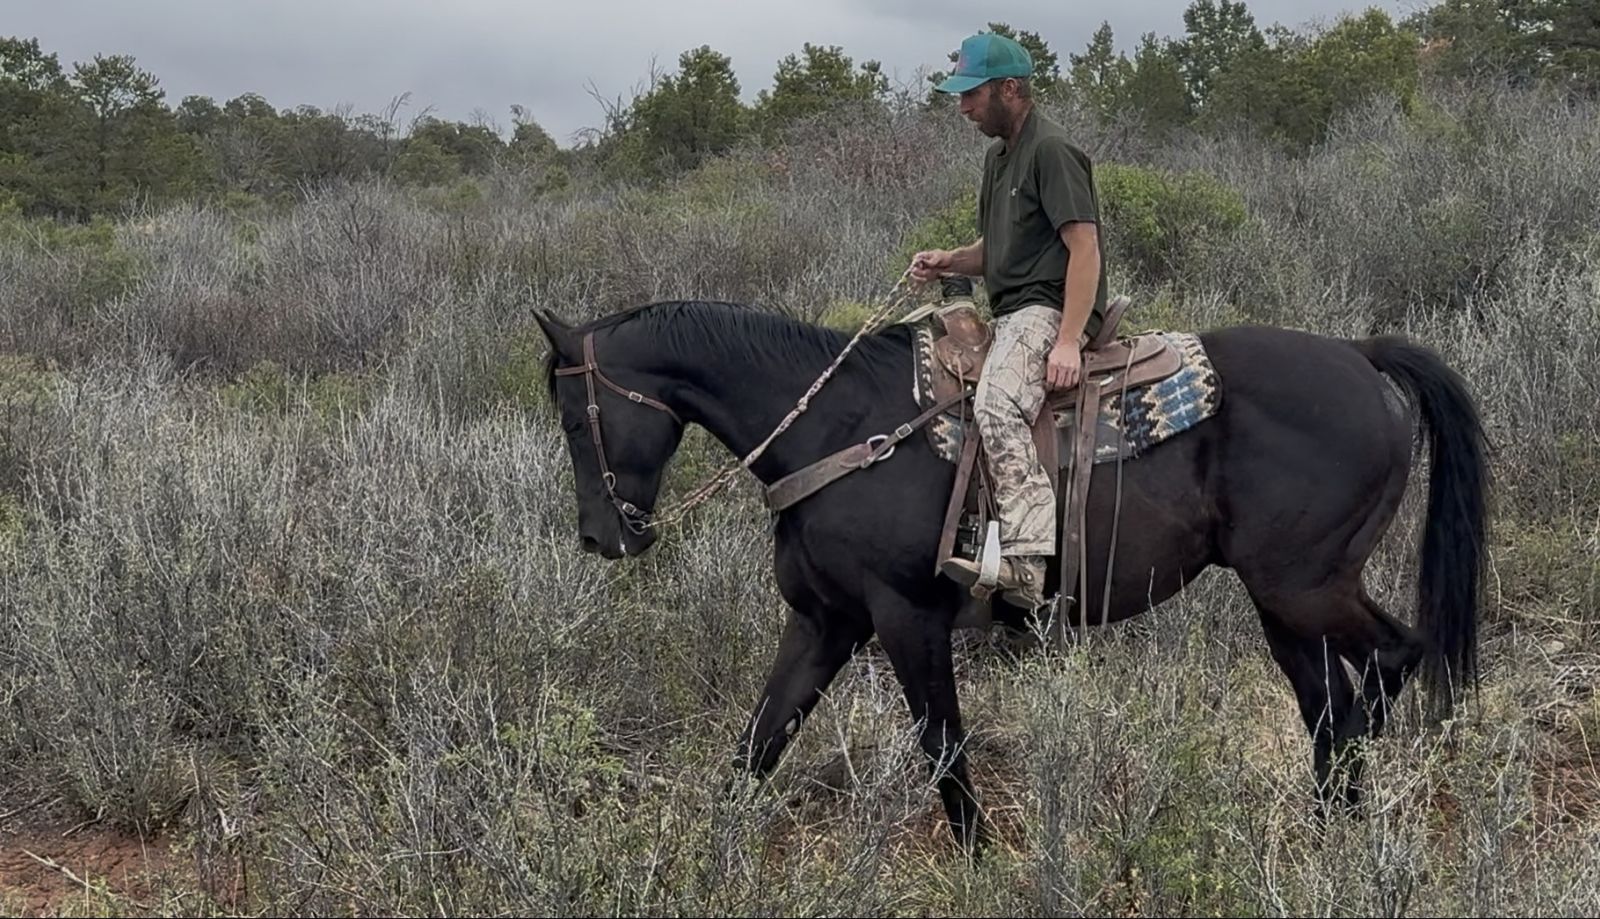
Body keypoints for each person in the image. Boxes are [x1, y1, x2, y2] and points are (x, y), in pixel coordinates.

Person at [910, 31, 1108, 611]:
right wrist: (951, 261)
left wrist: (1067, 341)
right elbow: (997, 247)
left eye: (972, 94)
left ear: (1010, 89)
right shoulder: (998, 158)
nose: (963, 107)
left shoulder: (1052, 150)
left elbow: (1084, 249)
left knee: (997, 402)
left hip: (1047, 308)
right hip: (1013, 308)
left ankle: (1026, 564)